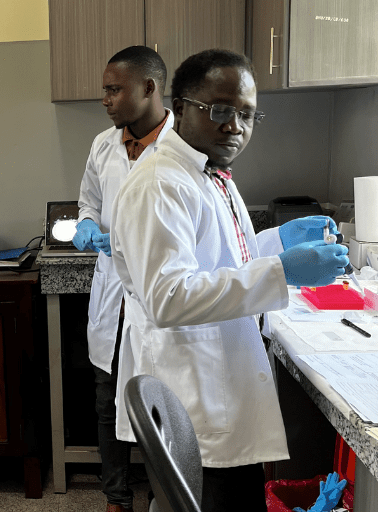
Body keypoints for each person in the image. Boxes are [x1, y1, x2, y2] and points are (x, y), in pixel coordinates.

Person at [109, 49, 349, 511]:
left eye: (246, 114)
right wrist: (283, 271)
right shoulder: (161, 183)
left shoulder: (208, 172)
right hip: (195, 401)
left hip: (217, 392)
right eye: (219, 110)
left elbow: (221, 261)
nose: (234, 126)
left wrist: (277, 242)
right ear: (179, 108)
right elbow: (169, 297)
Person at [71, 45, 172, 512]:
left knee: (160, 407)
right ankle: (116, 498)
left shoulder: (182, 147)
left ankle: (161, 495)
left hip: (159, 300)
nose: (106, 99)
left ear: (149, 88)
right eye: (104, 91)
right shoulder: (102, 144)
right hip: (112, 294)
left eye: (115, 90)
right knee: (106, 401)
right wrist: (87, 225)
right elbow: (88, 202)